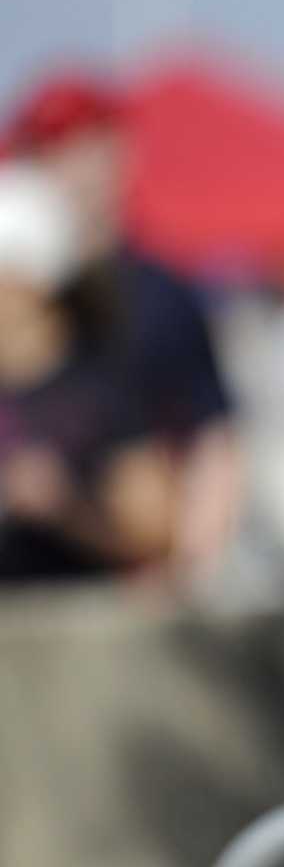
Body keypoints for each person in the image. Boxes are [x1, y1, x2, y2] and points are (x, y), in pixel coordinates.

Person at [2, 73, 242, 578]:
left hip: (131, 566)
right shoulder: (32, 282)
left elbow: (211, 441)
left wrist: (187, 569)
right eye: (51, 151)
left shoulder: (160, 294)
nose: (71, 169)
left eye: (85, 147)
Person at [0, 162, 180, 578]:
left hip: (76, 627)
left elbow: (156, 531)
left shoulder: (96, 392)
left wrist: (63, 506)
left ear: (34, 284)